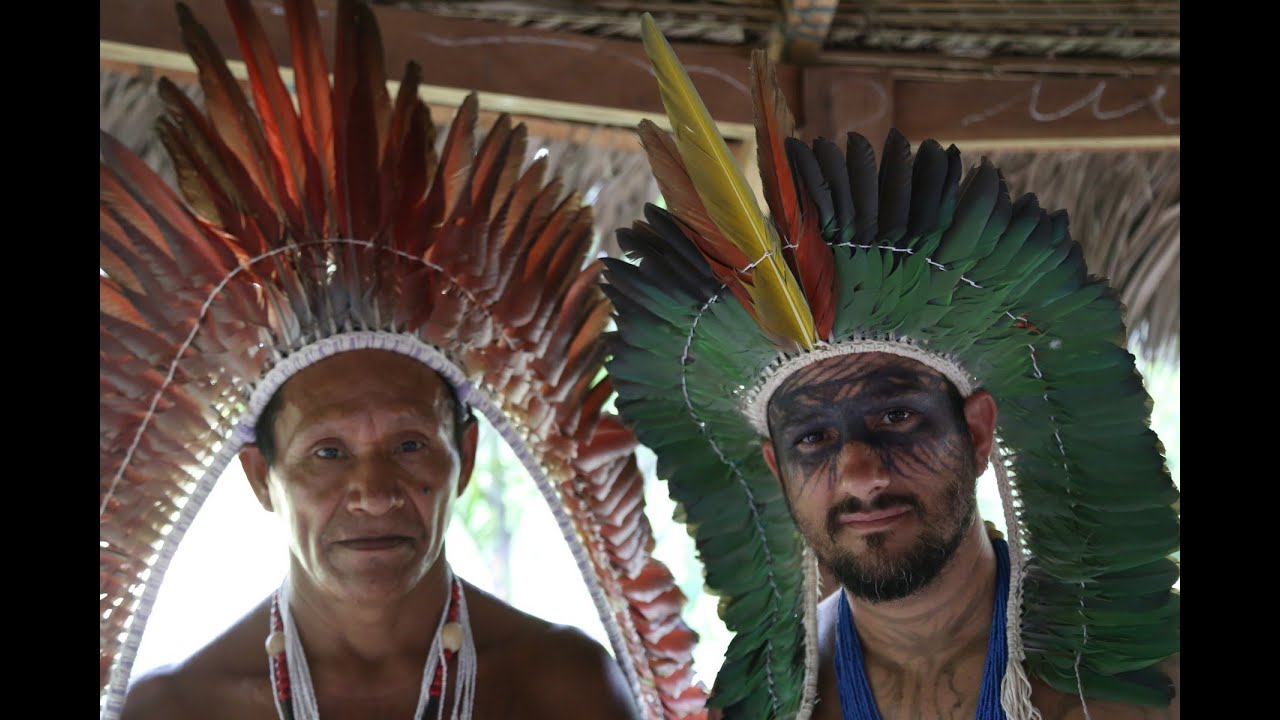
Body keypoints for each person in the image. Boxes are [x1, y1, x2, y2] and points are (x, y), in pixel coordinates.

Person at [99, 2, 706, 719]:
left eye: (411, 443)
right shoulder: (178, 708)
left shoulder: (565, 687)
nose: (376, 490)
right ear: (261, 476)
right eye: (326, 451)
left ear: (468, 456)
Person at [602, 14, 1179, 720]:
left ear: (976, 432)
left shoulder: (1140, 686)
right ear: (774, 470)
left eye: (896, 416)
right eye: (811, 439)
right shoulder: (768, 711)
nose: (861, 474)